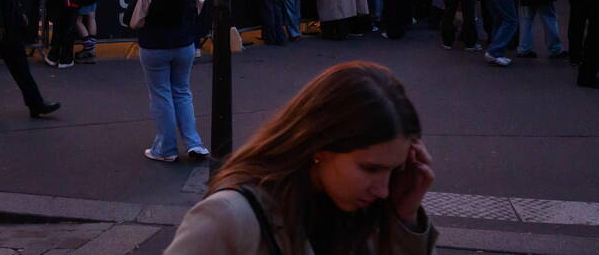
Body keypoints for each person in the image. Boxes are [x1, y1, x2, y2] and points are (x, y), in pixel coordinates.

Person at [164, 62, 436, 255]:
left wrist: (405, 219)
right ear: (319, 147)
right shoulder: (227, 219)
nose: (383, 189)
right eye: (370, 168)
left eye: (393, 171)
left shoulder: (370, 211)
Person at [130, 0, 209, 162]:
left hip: (154, 46)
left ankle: (166, 147)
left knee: (161, 94)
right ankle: (194, 143)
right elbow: (198, 8)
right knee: (183, 92)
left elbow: (135, 19)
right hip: (184, 44)